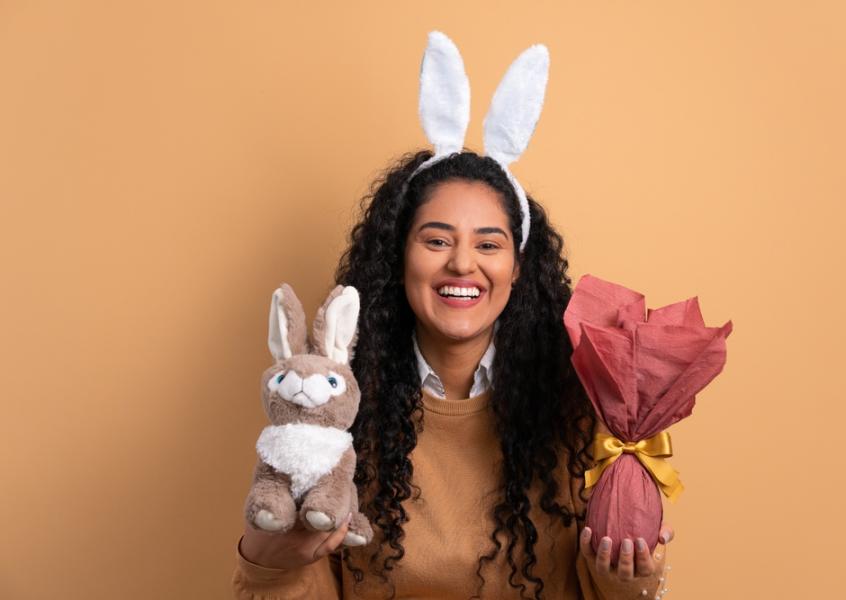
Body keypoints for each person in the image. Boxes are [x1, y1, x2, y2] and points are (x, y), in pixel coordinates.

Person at [232, 150, 675, 599]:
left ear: (517, 267)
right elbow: (303, 575)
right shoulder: (335, 406)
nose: (462, 264)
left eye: (488, 244)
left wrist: (628, 583)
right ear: (400, 257)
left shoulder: (582, 407)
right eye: (437, 241)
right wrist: (267, 564)